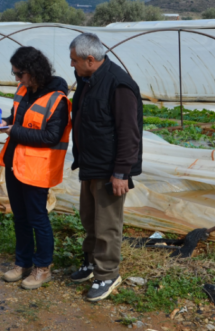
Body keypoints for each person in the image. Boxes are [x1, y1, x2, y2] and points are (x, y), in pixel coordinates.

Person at [68, 33, 143, 302]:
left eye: (74, 60)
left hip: (110, 169)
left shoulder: (118, 84)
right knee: (90, 219)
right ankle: (91, 264)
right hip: (91, 163)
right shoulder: (88, 80)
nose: (72, 65)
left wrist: (122, 172)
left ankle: (107, 274)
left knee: (107, 225)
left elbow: (128, 132)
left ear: (90, 59)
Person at [0, 46, 71, 290]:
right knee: (20, 218)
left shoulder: (57, 100)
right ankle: (22, 263)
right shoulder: (24, 91)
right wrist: (5, 121)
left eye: (20, 74)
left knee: (38, 218)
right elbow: (18, 117)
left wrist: (12, 130)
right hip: (15, 163)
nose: (17, 79)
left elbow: (50, 136)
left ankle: (42, 268)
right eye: (15, 73)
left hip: (37, 169)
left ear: (33, 71)